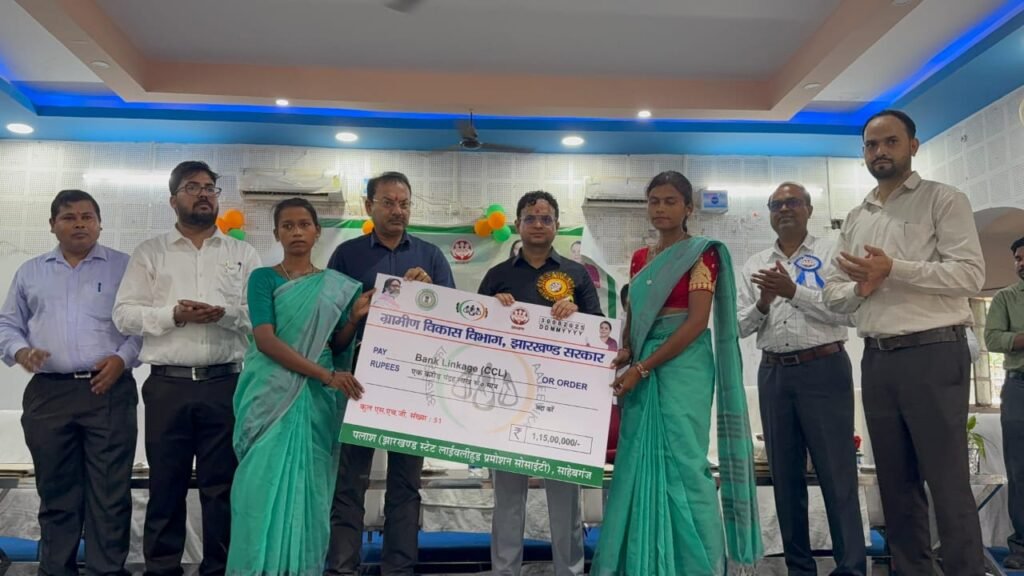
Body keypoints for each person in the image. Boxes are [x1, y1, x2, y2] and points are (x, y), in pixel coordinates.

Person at [824, 109, 986, 575]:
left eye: (891, 142)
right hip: (878, 359)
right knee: (895, 486)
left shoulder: (943, 199)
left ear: (913, 146)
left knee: (947, 482)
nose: (880, 152)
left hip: (934, 352)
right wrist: (861, 289)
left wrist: (894, 268)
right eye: (871, 145)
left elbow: (970, 275)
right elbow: (833, 294)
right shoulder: (857, 217)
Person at [592, 171, 761, 575]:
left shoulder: (702, 254)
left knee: (686, 462)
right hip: (643, 364)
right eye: (654, 201)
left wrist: (643, 367)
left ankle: (697, 565)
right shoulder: (640, 258)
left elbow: (696, 323)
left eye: (670, 201)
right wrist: (627, 350)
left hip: (683, 363)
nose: (661, 209)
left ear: (689, 208)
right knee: (636, 462)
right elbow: (635, 314)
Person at [114, 161, 262, 576]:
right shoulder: (151, 252)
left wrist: (224, 314)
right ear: (173, 199)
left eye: (210, 187)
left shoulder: (242, 253)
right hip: (168, 387)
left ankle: (221, 569)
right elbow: (124, 315)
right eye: (192, 187)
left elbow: (260, 315)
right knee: (166, 485)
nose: (203, 194)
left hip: (226, 384)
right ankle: (162, 569)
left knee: (223, 488)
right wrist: (173, 315)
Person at [227, 198, 372, 576]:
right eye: (288, 226)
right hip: (270, 396)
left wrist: (353, 320)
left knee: (309, 494)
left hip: (314, 404)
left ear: (317, 231)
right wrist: (325, 376)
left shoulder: (334, 286)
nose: (296, 232)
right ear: (276, 233)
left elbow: (336, 346)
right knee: (257, 494)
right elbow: (265, 340)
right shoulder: (264, 278)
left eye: (304, 225)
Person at [0, 189, 140, 576]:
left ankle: (106, 571)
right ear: (52, 225)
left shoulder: (124, 267)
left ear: (99, 223)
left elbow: (141, 325)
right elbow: (7, 324)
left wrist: (122, 359)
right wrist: (20, 351)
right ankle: (56, 570)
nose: (79, 224)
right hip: (49, 394)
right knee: (57, 492)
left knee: (109, 493)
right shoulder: (31, 271)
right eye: (69, 217)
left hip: (108, 389)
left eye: (87, 217)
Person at [325, 171, 455, 576]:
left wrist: (430, 294)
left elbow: (452, 326)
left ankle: (399, 568)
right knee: (350, 483)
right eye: (388, 202)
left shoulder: (431, 256)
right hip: (359, 382)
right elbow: (332, 332)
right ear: (369, 206)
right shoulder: (346, 256)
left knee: (406, 485)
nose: (398, 211)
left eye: (404, 203)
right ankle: (341, 568)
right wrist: (355, 314)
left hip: (413, 385)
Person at [738, 182, 864, 576]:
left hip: (824, 368)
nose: (784, 209)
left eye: (793, 202)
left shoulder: (834, 251)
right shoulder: (754, 264)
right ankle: (799, 569)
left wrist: (793, 291)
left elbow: (850, 313)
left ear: (809, 209)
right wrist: (764, 302)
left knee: (837, 474)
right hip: (774, 373)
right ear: (769, 213)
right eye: (776, 204)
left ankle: (851, 568)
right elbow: (739, 327)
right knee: (785, 479)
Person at [478, 190, 601, 576]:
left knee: (565, 501)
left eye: (546, 219)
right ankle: (504, 571)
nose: (537, 225)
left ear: (557, 226)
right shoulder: (497, 276)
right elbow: (473, 334)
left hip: (560, 405)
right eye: (530, 218)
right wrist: (492, 312)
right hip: (507, 400)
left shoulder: (576, 275)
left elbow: (600, 334)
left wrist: (578, 315)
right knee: (507, 500)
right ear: (517, 224)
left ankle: (570, 571)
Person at [985, 236, 1024, 568]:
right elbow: (992, 338)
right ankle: (1021, 547)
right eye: (1018, 258)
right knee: (1020, 469)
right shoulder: (1005, 298)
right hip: (1019, 388)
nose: (1021, 263)